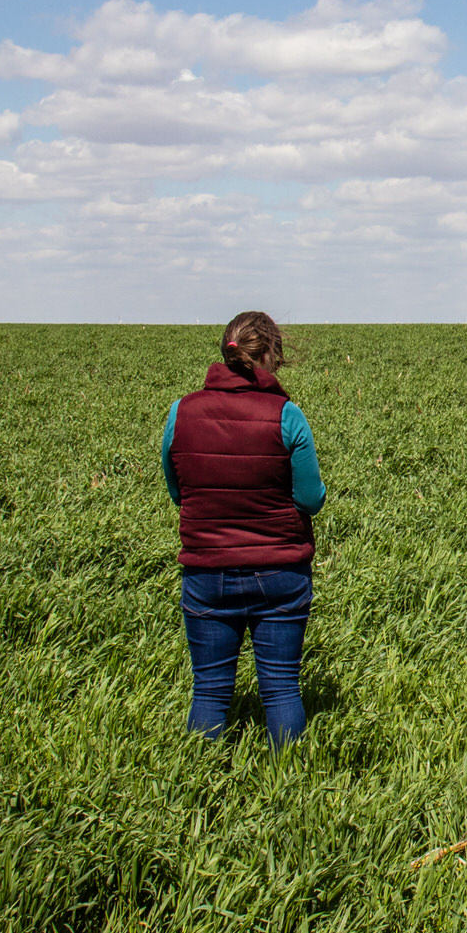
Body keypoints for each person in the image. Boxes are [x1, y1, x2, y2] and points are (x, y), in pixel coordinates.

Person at [160, 311, 325, 746]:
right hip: (280, 573)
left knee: (210, 691)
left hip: (206, 570)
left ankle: (200, 790)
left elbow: (180, 491)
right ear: (271, 354)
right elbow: (311, 499)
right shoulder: (287, 416)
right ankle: (288, 791)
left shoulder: (181, 412)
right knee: (282, 688)